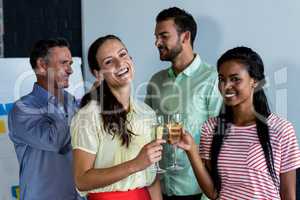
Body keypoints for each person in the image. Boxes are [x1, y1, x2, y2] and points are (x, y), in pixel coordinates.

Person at [177, 46, 300, 199]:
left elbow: (288, 194)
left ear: (254, 81)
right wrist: (191, 150)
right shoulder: (211, 128)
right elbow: (214, 193)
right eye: (222, 79)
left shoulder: (281, 129)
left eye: (235, 79)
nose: (225, 86)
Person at [71, 35, 165, 200]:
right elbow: (82, 181)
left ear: (131, 59)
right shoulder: (87, 116)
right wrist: (135, 164)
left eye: (122, 55)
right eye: (109, 61)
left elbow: (152, 175)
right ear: (98, 73)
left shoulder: (147, 112)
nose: (120, 63)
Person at [145, 7, 222, 200]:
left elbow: (220, 141)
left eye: (163, 36)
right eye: (156, 37)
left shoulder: (213, 79)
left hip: (198, 192)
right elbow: (146, 130)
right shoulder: (156, 81)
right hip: (161, 190)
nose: (157, 43)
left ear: (185, 37)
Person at [8, 38, 82, 199]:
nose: (70, 70)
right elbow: (54, 141)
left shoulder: (72, 102)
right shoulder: (22, 109)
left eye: (70, 63)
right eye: (64, 63)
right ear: (42, 65)